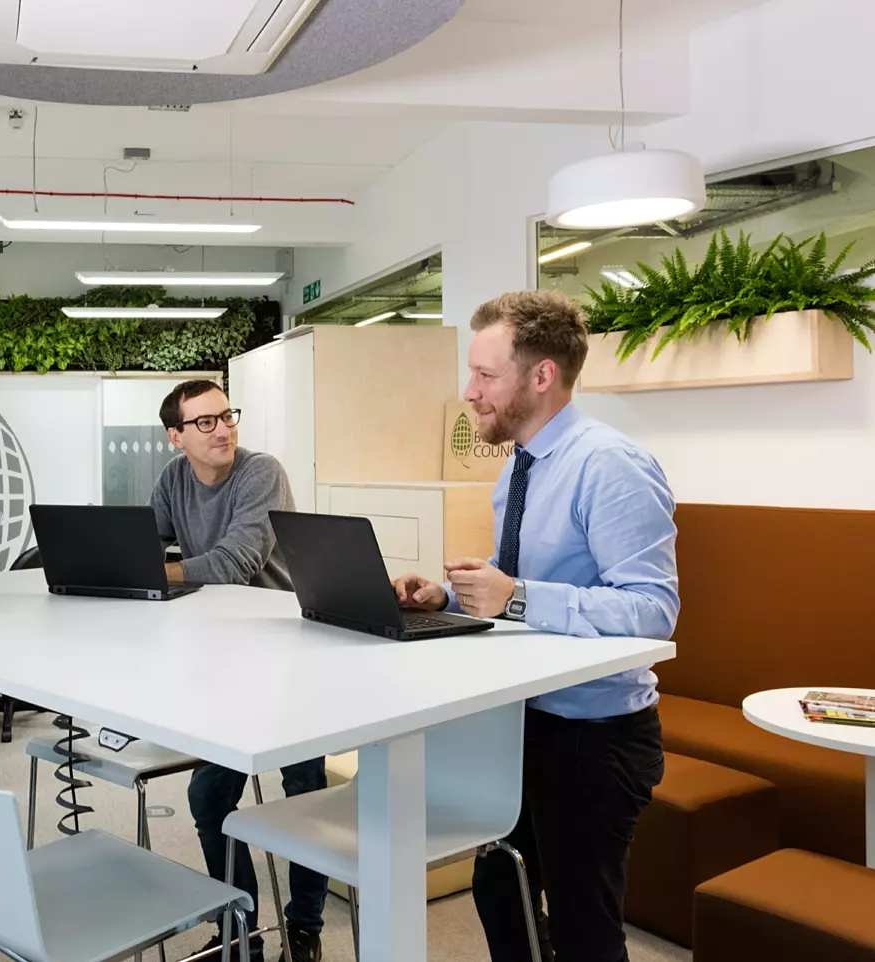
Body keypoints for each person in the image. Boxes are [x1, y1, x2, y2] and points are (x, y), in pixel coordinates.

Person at [393, 291, 678, 962]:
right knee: (499, 890)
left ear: (541, 375)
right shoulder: (518, 467)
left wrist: (515, 598)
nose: (470, 391)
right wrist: (448, 597)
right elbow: (515, 581)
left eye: (485, 375)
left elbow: (653, 611)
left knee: (584, 929)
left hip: (595, 737)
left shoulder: (609, 466)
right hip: (520, 723)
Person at [149, 379, 327, 962]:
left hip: (290, 653)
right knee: (209, 797)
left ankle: (305, 928)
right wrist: (132, 564)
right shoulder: (173, 482)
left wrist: (154, 573)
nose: (222, 429)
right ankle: (241, 924)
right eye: (204, 422)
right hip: (225, 660)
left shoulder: (261, 472)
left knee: (303, 795)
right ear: (177, 437)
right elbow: (142, 546)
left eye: (227, 416)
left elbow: (234, 564)